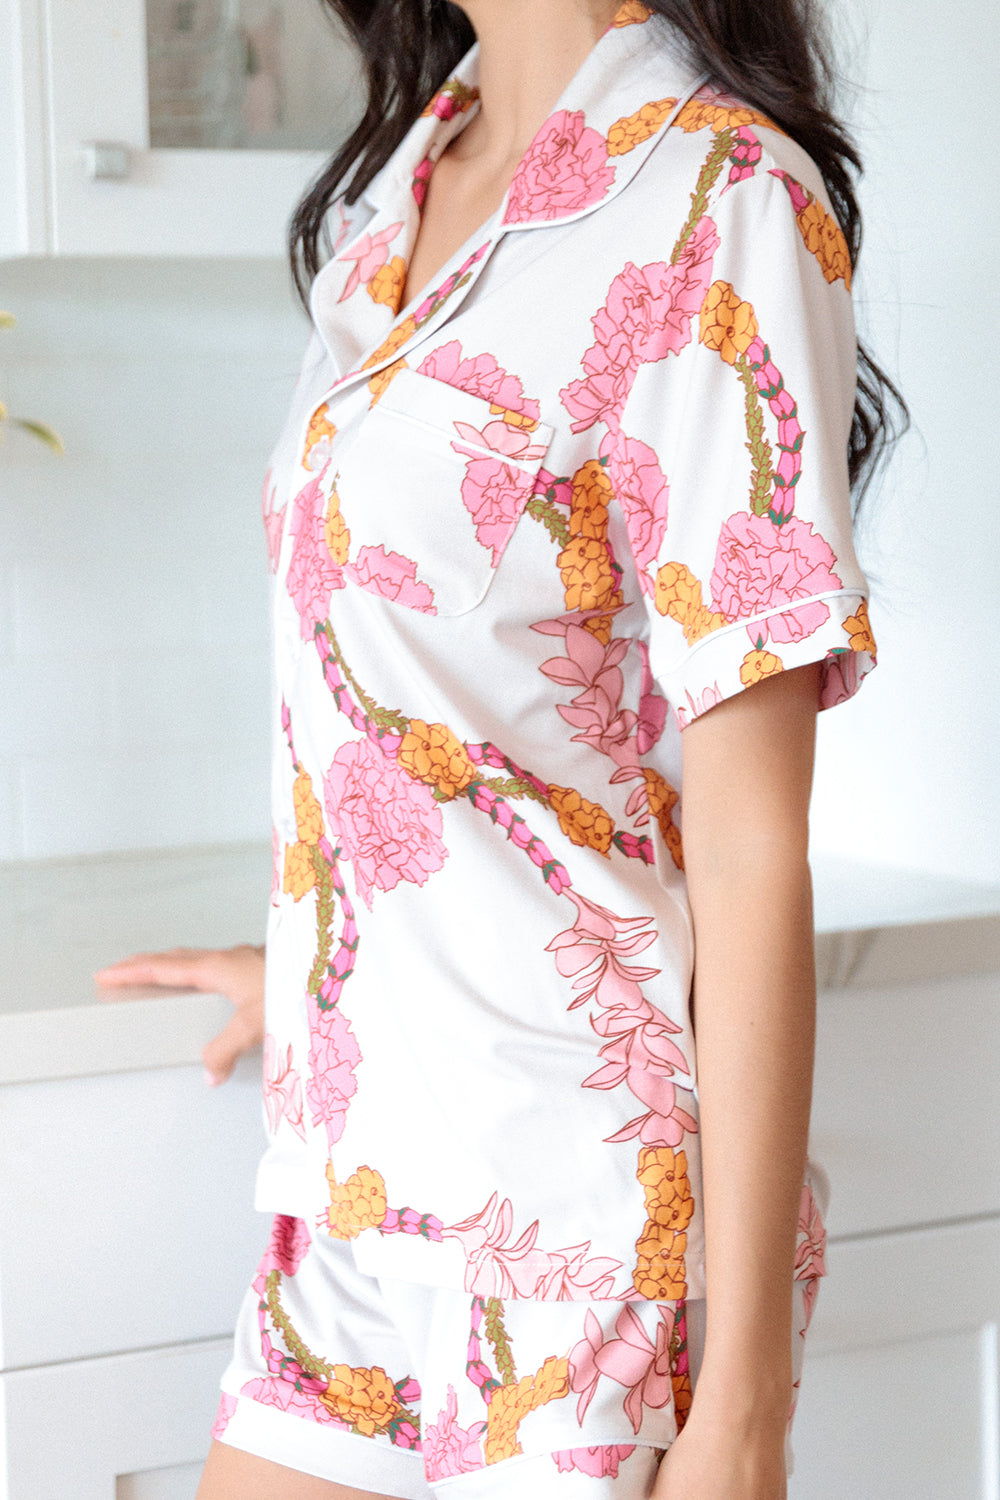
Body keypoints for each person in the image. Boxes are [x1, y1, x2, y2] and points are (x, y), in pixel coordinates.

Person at [97, 0, 905, 1495]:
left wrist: (746, 1405)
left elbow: (749, 847)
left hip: (585, 1229)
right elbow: (439, 704)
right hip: (354, 1177)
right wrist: (330, 958)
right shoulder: (400, 186)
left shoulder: (720, 196)